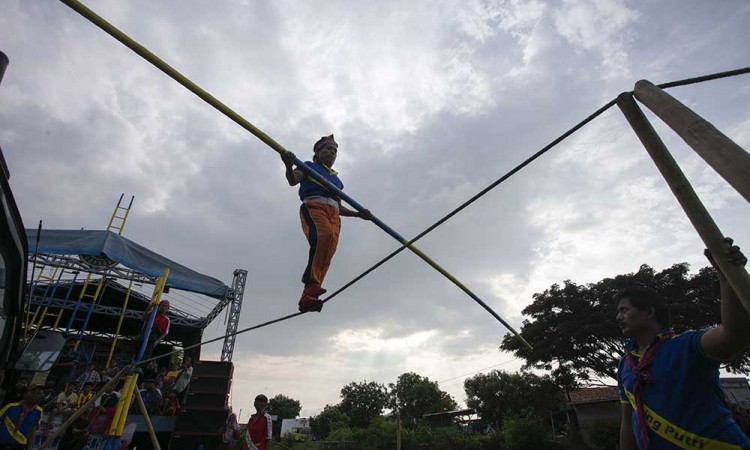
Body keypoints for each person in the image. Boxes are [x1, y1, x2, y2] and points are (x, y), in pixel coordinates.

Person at [616, 238, 750, 450]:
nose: (618, 317)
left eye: (624, 310)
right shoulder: (626, 365)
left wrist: (727, 274)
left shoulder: (687, 345)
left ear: (649, 311)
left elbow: (733, 337)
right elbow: (628, 422)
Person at [281, 135, 371, 312]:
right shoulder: (308, 167)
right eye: (328, 150)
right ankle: (311, 283)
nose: (332, 153)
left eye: (335, 151)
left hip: (333, 213)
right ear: (318, 153)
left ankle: (309, 296)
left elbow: (339, 207)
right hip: (315, 206)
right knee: (324, 236)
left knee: (329, 249)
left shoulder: (337, 181)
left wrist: (359, 214)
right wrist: (288, 164)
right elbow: (292, 180)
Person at [0, 384, 44, 449]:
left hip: (19, 446)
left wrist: (29, 447)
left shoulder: (39, 411)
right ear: (25, 394)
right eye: (33, 392)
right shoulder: (11, 407)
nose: (35, 396)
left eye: (38, 393)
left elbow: (32, 430)